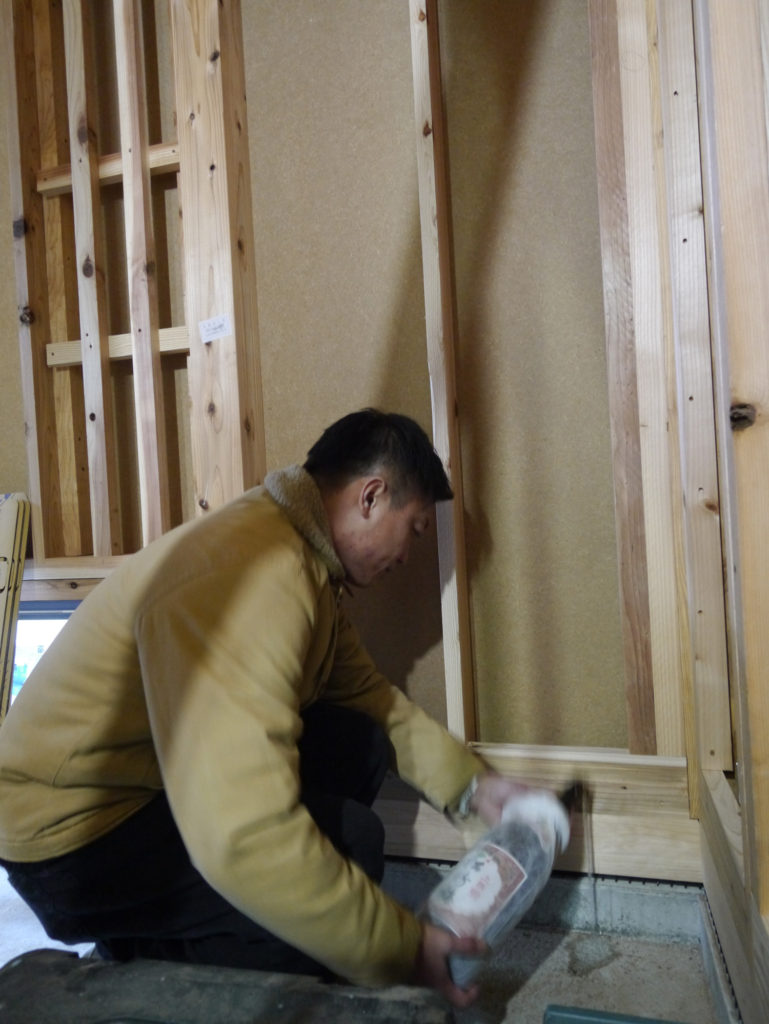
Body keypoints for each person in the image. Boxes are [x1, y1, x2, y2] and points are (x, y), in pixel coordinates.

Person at [0, 408, 526, 1008]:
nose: (408, 556)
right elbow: (242, 832)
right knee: (350, 848)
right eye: (415, 530)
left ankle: (201, 924)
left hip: (136, 785)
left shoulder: (305, 562)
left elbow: (374, 701)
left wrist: (473, 788)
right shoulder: (256, 574)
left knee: (359, 742)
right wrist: (399, 949)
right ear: (371, 496)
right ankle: (138, 960)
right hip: (68, 835)